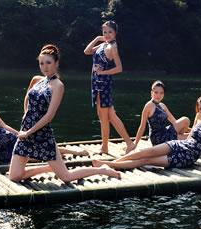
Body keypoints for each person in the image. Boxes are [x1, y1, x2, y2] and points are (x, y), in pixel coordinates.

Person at [8, 44, 121, 183]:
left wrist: (29, 132)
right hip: (26, 130)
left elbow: (49, 116)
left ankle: (102, 170)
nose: (45, 67)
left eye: (48, 63)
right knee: (14, 176)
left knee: (66, 177)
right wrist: (26, 114)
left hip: (42, 134)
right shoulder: (36, 80)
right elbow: (28, 97)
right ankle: (48, 168)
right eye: (41, 63)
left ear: (56, 63)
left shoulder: (58, 86)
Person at [0, 83, 89, 165]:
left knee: (38, 147)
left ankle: (75, 152)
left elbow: (4, 126)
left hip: (10, 138)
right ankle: (61, 157)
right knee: (35, 156)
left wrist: (21, 134)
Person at [95, 95, 201, 171]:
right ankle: (112, 162)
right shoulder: (199, 118)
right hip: (179, 144)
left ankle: (110, 165)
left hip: (187, 156)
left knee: (146, 160)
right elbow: (191, 136)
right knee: (145, 152)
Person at [83, 20, 134, 154]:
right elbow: (87, 51)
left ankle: (110, 146)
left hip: (103, 84)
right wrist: (97, 39)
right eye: (104, 32)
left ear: (115, 33)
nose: (107, 34)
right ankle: (119, 145)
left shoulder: (113, 47)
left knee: (105, 117)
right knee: (107, 116)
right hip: (97, 83)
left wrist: (103, 72)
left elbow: (119, 68)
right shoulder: (104, 44)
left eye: (110, 32)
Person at [132, 81, 190, 148]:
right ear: (151, 93)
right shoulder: (149, 105)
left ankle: (178, 140)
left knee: (186, 123)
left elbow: (175, 122)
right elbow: (142, 126)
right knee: (189, 135)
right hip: (158, 138)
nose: (158, 95)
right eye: (156, 92)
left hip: (166, 132)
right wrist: (135, 144)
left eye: (161, 93)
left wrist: (191, 130)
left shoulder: (162, 106)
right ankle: (178, 142)